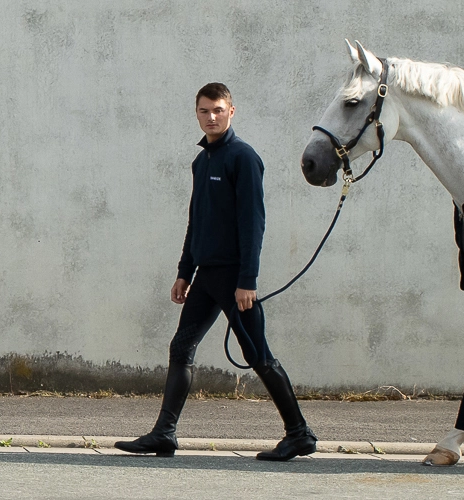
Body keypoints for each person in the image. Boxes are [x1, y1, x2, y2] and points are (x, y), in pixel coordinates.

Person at [114, 82, 316, 461]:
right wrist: (184, 272)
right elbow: (196, 221)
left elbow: (253, 224)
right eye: (204, 111)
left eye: (218, 110)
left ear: (231, 111)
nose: (211, 117)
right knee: (181, 347)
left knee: (258, 355)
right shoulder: (202, 161)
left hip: (233, 279)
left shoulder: (243, 158)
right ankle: (164, 434)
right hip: (205, 277)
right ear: (196, 113)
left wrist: (247, 281)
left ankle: (300, 434)